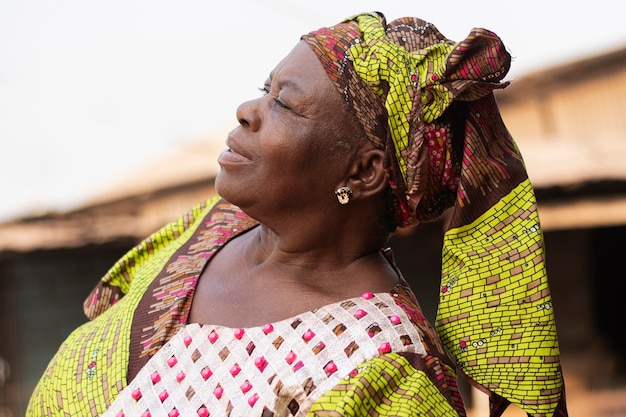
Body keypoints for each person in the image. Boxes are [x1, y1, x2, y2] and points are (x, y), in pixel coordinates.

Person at [26, 12, 568, 417]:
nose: (247, 109)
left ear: (363, 173)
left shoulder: (384, 372)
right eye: (266, 89)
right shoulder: (208, 228)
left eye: (284, 103)